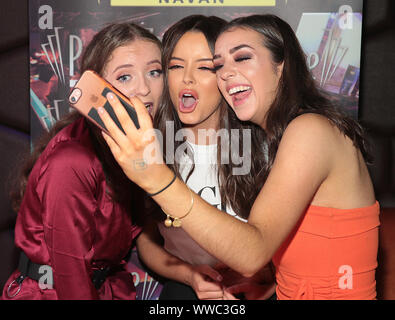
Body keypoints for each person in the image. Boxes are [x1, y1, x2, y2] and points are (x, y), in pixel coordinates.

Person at [98, 14, 379, 300]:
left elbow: (253, 252)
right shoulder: (289, 134)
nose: (226, 73)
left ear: (281, 66)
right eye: (220, 64)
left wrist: (156, 177)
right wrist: (268, 280)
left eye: (242, 58)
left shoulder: (310, 130)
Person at [2, 22, 163, 300]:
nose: (145, 89)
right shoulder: (72, 160)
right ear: (95, 87)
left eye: (154, 72)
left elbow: (144, 235)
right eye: (125, 77)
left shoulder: (137, 146)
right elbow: (71, 277)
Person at [135, 15, 275, 300]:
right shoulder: (151, 148)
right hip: (185, 288)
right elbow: (146, 240)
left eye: (204, 67)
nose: (187, 77)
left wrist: (268, 282)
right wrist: (190, 275)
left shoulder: (264, 148)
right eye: (175, 66)